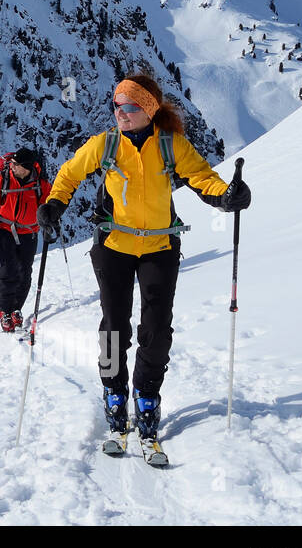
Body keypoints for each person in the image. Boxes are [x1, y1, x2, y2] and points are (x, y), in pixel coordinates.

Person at [36, 74, 251, 442]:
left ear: (149, 110)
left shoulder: (171, 145)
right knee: (113, 326)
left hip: (159, 247)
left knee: (156, 329)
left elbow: (202, 177)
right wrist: (54, 204)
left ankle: (147, 394)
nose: (121, 112)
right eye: (117, 105)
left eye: (131, 106)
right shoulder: (105, 144)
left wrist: (226, 195)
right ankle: (113, 389)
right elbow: (70, 173)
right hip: (113, 246)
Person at [0, 148, 52, 333]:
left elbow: (48, 207)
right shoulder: (3, 180)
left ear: (26, 167)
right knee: (9, 270)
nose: (12, 166)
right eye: (12, 163)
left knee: (25, 272)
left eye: (16, 165)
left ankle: (16, 308)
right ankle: (5, 310)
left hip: (29, 233)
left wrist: (50, 222)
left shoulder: (41, 184)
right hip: (5, 231)